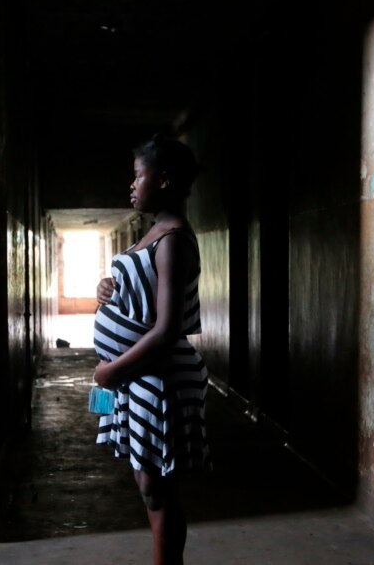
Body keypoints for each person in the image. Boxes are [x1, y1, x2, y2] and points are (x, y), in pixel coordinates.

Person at [92, 134, 210, 565]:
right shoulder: (153, 234)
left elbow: (165, 330)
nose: (131, 185)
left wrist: (111, 371)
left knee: (156, 489)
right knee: (148, 487)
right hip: (136, 378)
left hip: (156, 378)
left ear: (162, 180)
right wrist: (108, 289)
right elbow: (140, 296)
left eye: (137, 176)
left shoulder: (174, 239)